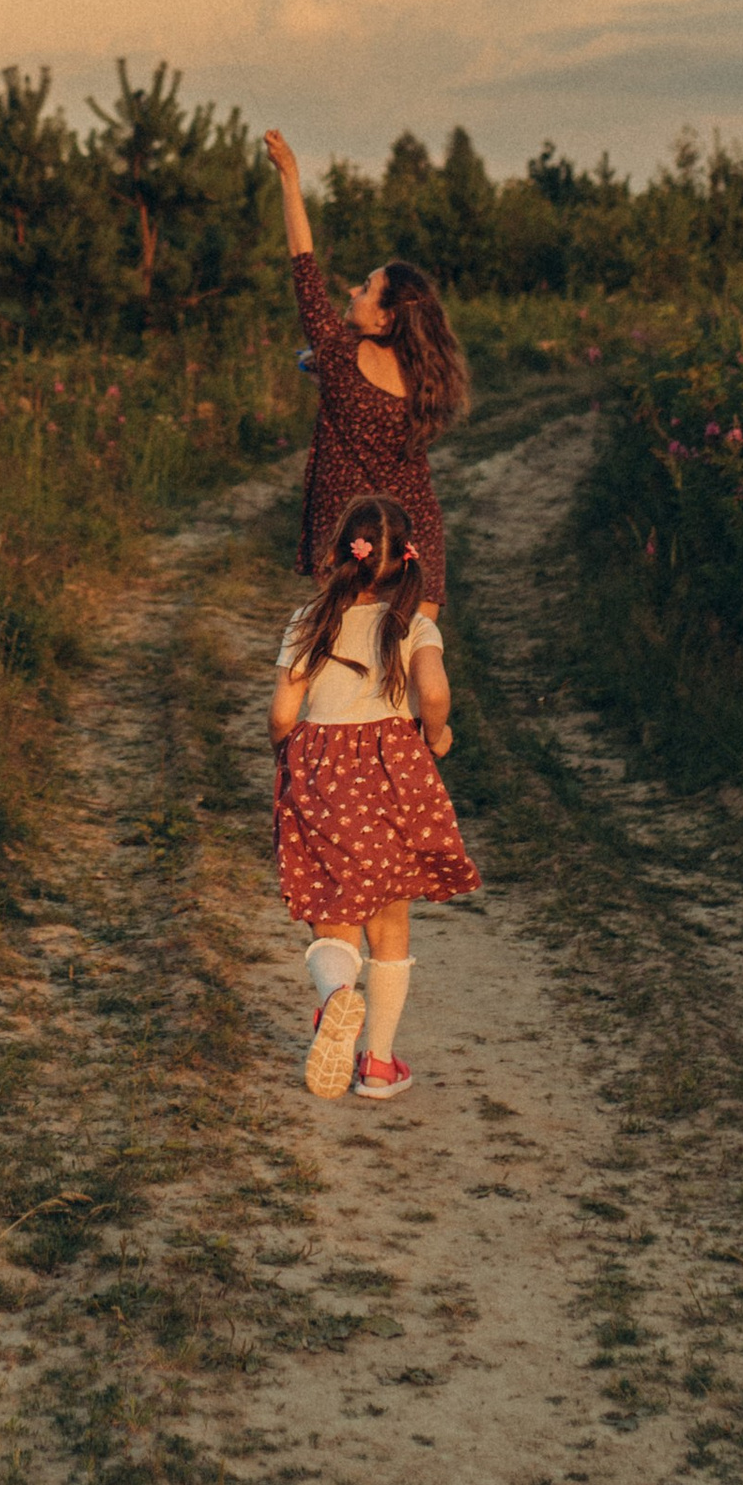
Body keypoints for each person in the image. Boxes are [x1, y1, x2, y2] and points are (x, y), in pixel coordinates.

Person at [269, 492, 480, 1102]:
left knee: (331, 910)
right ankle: (379, 1065)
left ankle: (338, 997)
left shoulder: (309, 621)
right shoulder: (412, 625)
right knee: (389, 917)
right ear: (408, 563)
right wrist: (434, 734)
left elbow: (283, 711)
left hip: (321, 766)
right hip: (391, 766)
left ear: (337, 554)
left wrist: (286, 749)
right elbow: (434, 693)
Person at [258, 128, 471, 625]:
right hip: (412, 542)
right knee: (413, 674)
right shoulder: (427, 384)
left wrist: (290, 176)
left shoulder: (336, 357)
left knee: (348, 678)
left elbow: (302, 261)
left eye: (367, 288)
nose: (353, 289)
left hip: (348, 542)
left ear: (384, 319)